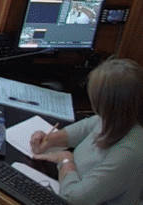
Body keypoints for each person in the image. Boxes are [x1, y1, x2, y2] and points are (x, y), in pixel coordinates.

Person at [30, 58, 143, 205]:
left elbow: (75, 199)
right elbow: (86, 127)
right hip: (68, 181)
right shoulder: (115, 117)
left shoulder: (131, 150)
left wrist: (65, 160)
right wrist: (50, 139)